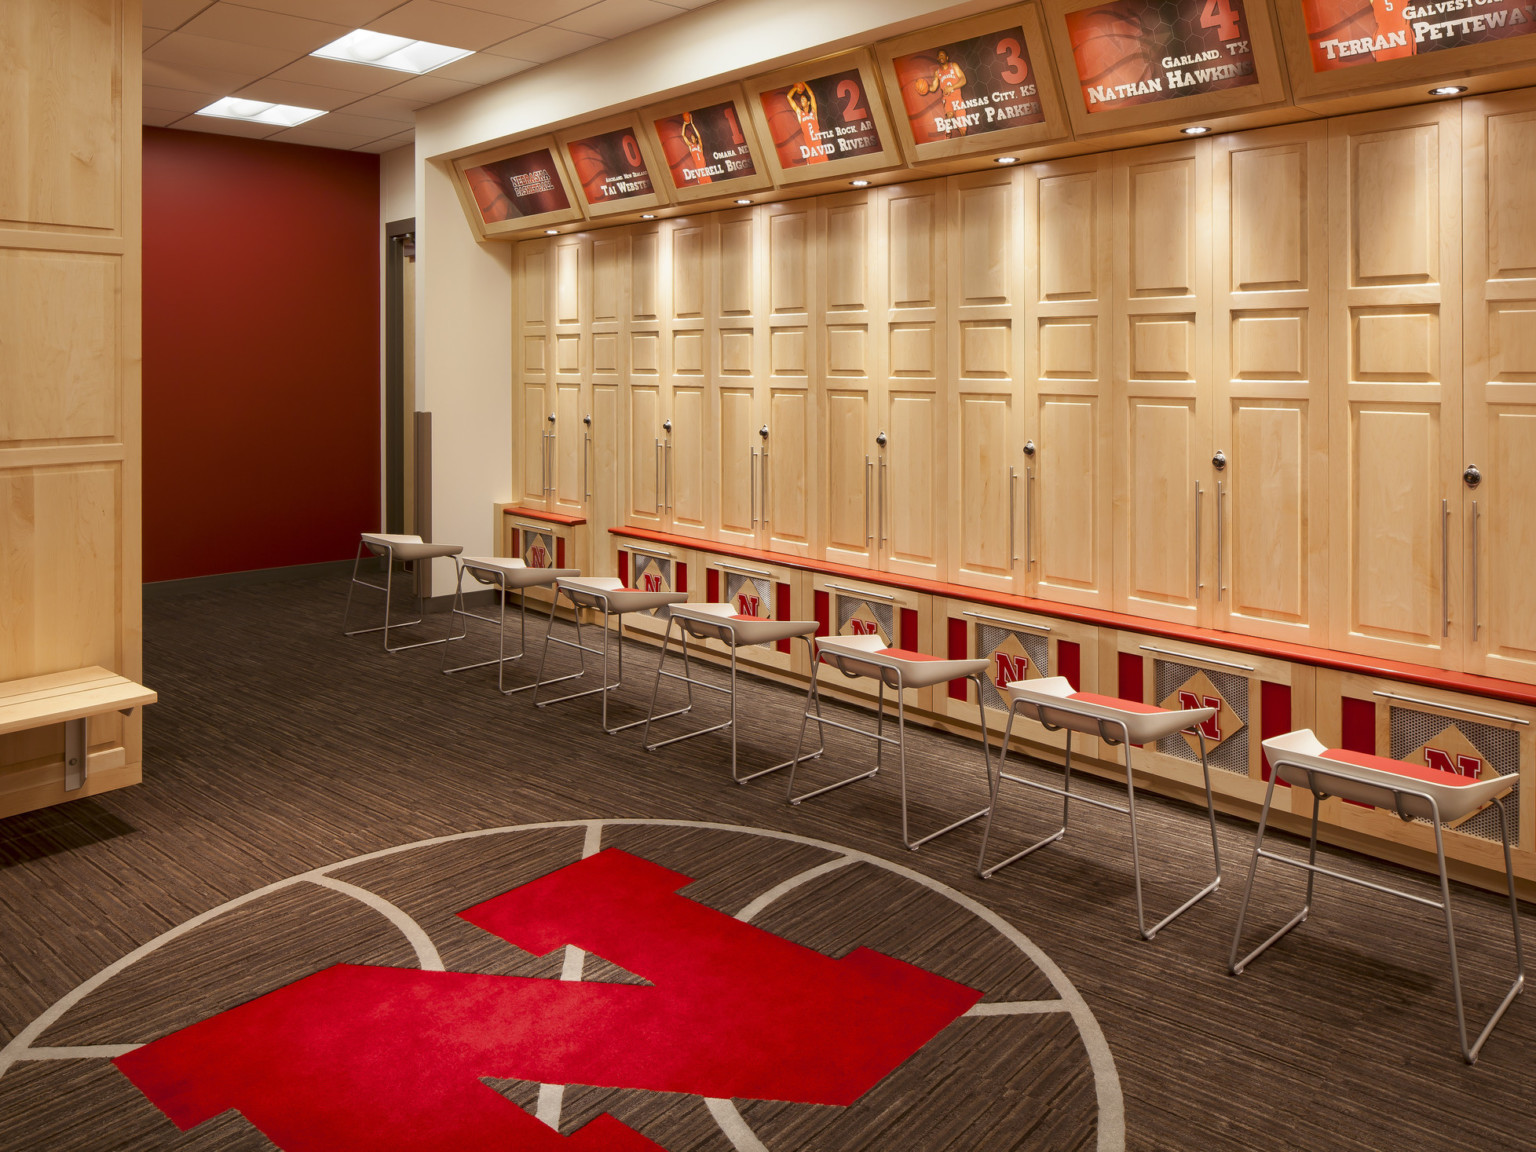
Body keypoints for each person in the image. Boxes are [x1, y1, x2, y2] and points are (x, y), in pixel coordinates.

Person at [930, 49, 969, 137]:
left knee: (963, 131)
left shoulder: (953, 65)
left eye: (942, 55)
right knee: (949, 115)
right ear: (937, 58)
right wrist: (926, 87)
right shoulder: (937, 72)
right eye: (939, 56)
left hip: (958, 99)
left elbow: (963, 80)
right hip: (947, 99)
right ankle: (947, 134)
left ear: (947, 57)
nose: (941, 57)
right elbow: (933, 88)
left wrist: (952, 87)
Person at [788, 82, 828, 163]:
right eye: (801, 99)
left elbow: (811, 95)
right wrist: (797, 88)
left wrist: (803, 83)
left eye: (803, 99)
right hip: (811, 152)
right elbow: (788, 97)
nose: (801, 100)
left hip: (820, 150)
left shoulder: (813, 113)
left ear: (808, 102)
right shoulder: (800, 114)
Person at [681, 112, 710, 184]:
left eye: (693, 137)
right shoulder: (691, 146)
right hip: (699, 171)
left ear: (696, 139)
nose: (692, 139)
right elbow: (683, 135)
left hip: (704, 171)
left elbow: (699, 136)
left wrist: (692, 124)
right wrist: (684, 124)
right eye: (691, 138)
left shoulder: (699, 147)